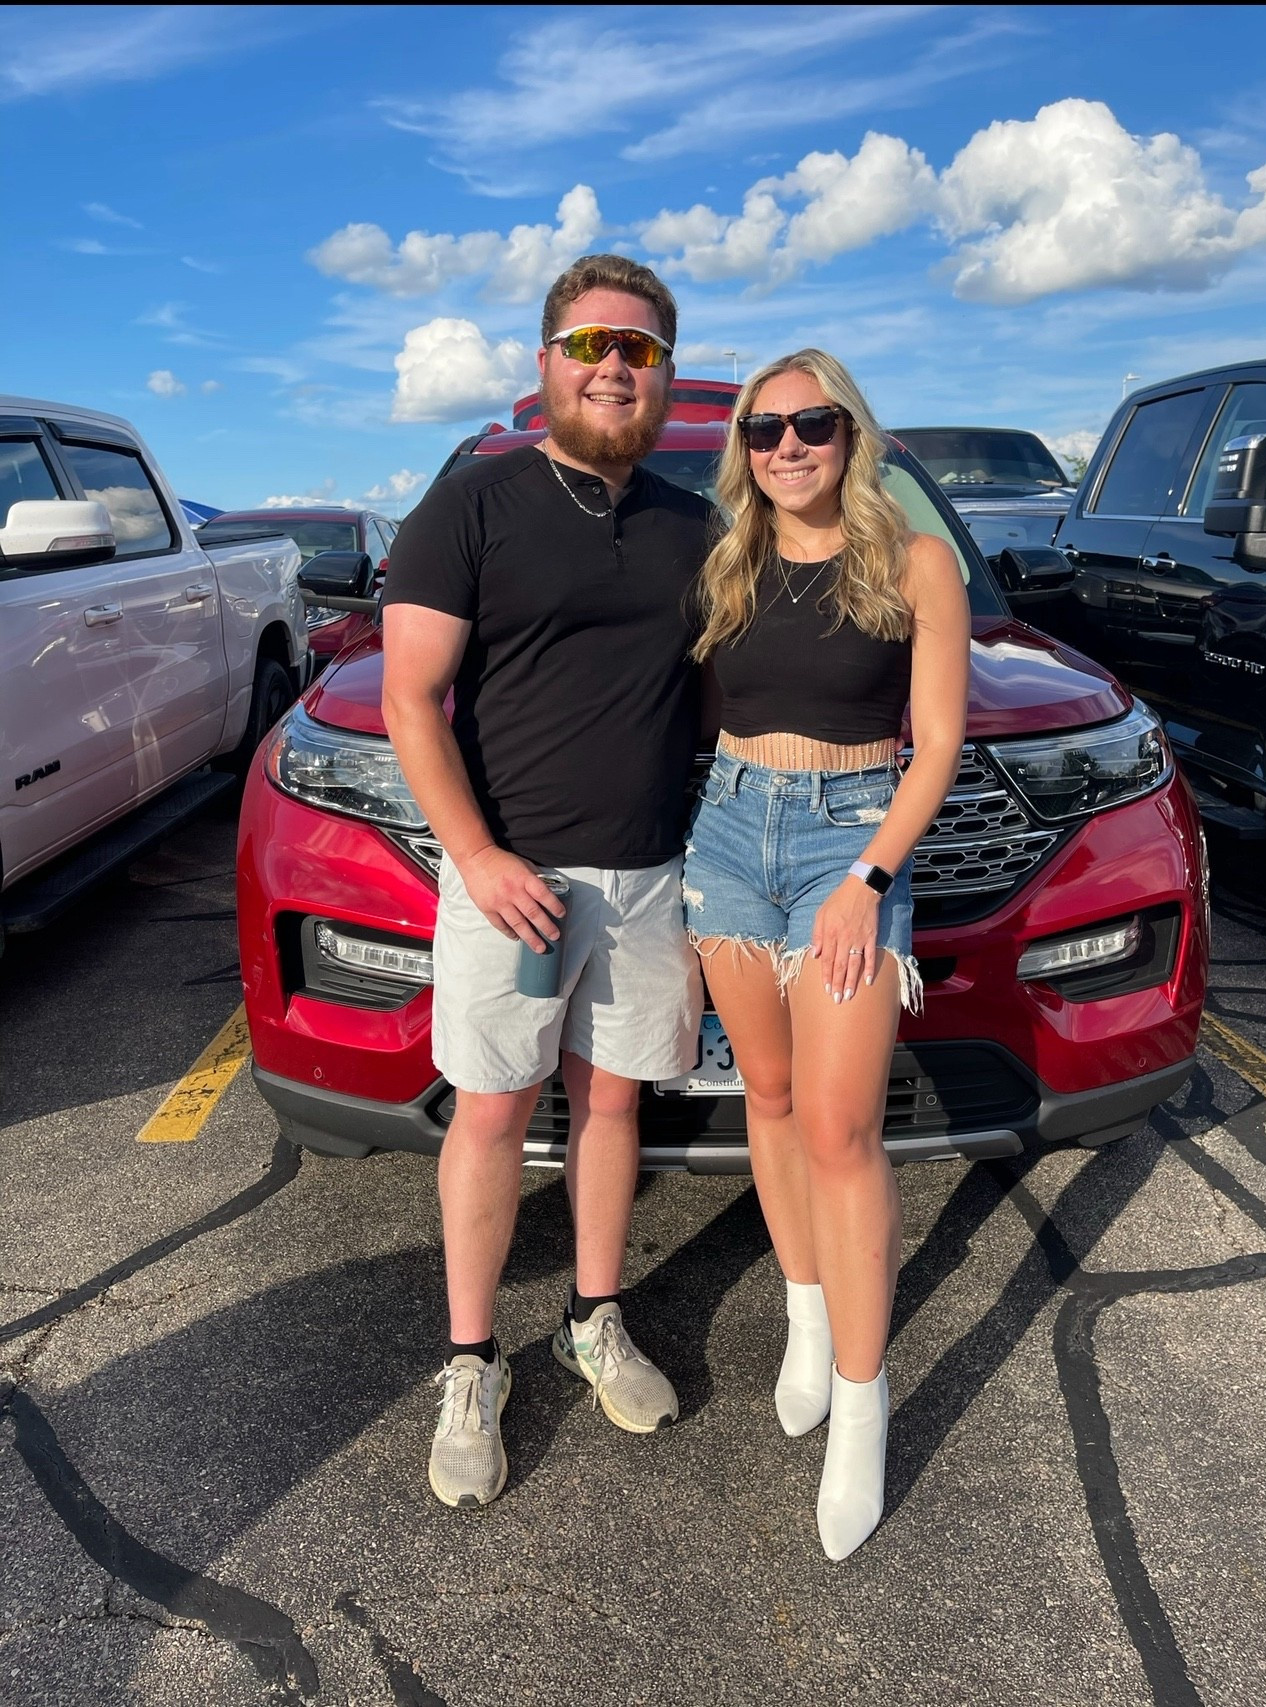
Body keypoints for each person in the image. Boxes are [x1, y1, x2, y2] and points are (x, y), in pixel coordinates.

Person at [381, 255, 711, 1509]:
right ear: (546, 364)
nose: (613, 365)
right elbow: (411, 701)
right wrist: (477, 856)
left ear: (664, 374)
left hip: (645, 882)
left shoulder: (696, 525)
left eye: (637, 348)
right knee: (493, 1117)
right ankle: (470, 1363)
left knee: (612, 1112)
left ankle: (593, 1318)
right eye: (589, 345)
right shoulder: (470, 506)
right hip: (512, 879)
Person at [683, 350, 970, 1559]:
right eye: (765, 429)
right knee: (772, 1094)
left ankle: (864, 1402)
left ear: (852, 433)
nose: (789, 446)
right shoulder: (728, 565)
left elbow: (942, 743)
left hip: (852, 838)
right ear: (743, 446)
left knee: (844, 1128)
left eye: (813, 424)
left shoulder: (916, 562)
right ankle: (805, 1316)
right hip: (729, 834)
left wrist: (867, 881)